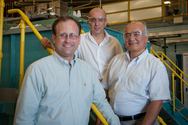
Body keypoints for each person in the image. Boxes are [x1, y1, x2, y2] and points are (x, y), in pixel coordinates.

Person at [13, 16, 120, 125]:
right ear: (54, 39)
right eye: (63, 35)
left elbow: (101, 103)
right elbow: (24, 118)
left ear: (79, 40)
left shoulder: (87, 70)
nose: (68, 40)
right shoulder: (37, 71)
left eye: (73, 35)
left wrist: (115, 122)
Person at [102, 21, 171, 125]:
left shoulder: (155, 65)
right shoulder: (115, 60)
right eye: (127, 35)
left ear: (146, 38)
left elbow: (157, 102)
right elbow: (105, 91)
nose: (131, 38)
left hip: (139, 121)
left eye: (136, 34)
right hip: (112, 120)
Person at [41, 8, 123, 82]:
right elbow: (66, 57)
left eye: (100, 20)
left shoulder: (114, 42)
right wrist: (52, 47)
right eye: (93, 20)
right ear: (88, 22)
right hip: (88, 84)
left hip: (110, 86)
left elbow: (120, 66)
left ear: (105, 22)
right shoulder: (80, 40)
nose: (97, 23)